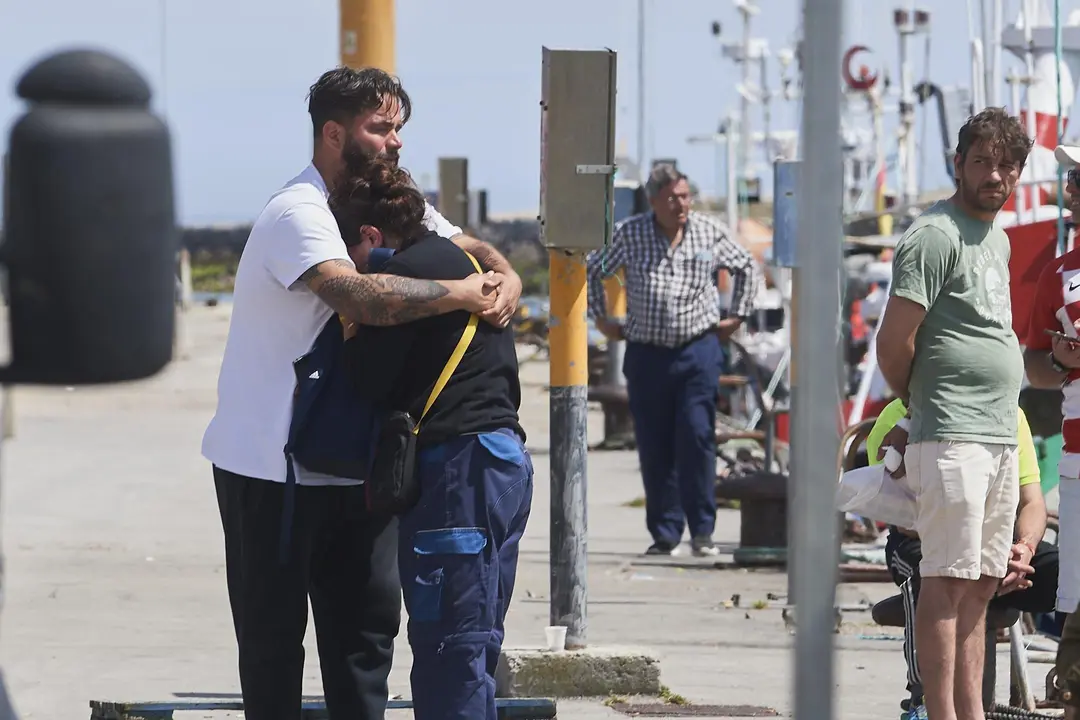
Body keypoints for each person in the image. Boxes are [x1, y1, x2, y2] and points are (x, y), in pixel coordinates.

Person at [200, 67, 523, 720]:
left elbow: (464, 242)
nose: (396, 142)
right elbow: (357, 296)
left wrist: (506, 274)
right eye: (381, 128)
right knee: (271, 648)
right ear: (332, 133)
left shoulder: (382, 199)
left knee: (364, 645)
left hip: (358, 467)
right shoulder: (300, 211)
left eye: (399, 127)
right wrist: (461, 294)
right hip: (271, 469)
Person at [330, 157, 532, 720]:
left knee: (449, 649)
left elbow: (368, 381)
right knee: (477, 643)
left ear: (370, 235)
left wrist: (353, 319)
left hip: (457, 474)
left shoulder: (407, 285)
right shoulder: (470, 265)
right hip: (504, 464)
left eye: (351, 253)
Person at [875, 107, 1033, 720]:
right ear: (959, 166)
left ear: (1018, 172)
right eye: (981, 162)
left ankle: (973, 714)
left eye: (1006, 166)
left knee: (981, 585)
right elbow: (894, 342)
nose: (994, 175)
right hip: (951, 434)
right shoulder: (934, 235)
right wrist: (919, 403)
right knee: (944, 580)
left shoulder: (998, 237)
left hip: (996, 433)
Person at [586, 164, 764, 557]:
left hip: (697, 349)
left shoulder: (707, 230)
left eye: (684, 196)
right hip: (647, 352)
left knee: (697, 435)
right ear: (653, 201)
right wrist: (601, 318)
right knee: (654, 443)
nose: (680, 204)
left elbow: (746, 267)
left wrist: (737, 314)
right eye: (671, 198)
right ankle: (665, 532)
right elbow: (595, 267)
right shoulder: (631, 233)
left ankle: (702, 530)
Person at [868, 398, 1057, 720]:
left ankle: (1070, 683)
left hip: (997, 538)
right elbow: (902, 517)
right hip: (923, 537)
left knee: (1067, 573)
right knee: (931, 575)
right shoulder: (898, 418)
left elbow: (1032, 501)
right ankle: (923, 700)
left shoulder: (1009, 415)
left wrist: (1022, 549)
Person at [1022, 143, 1080, 719]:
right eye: (1073, 181)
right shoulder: (1057, 275)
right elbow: (1034, 364)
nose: (1072, 190)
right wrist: (1061, 362)